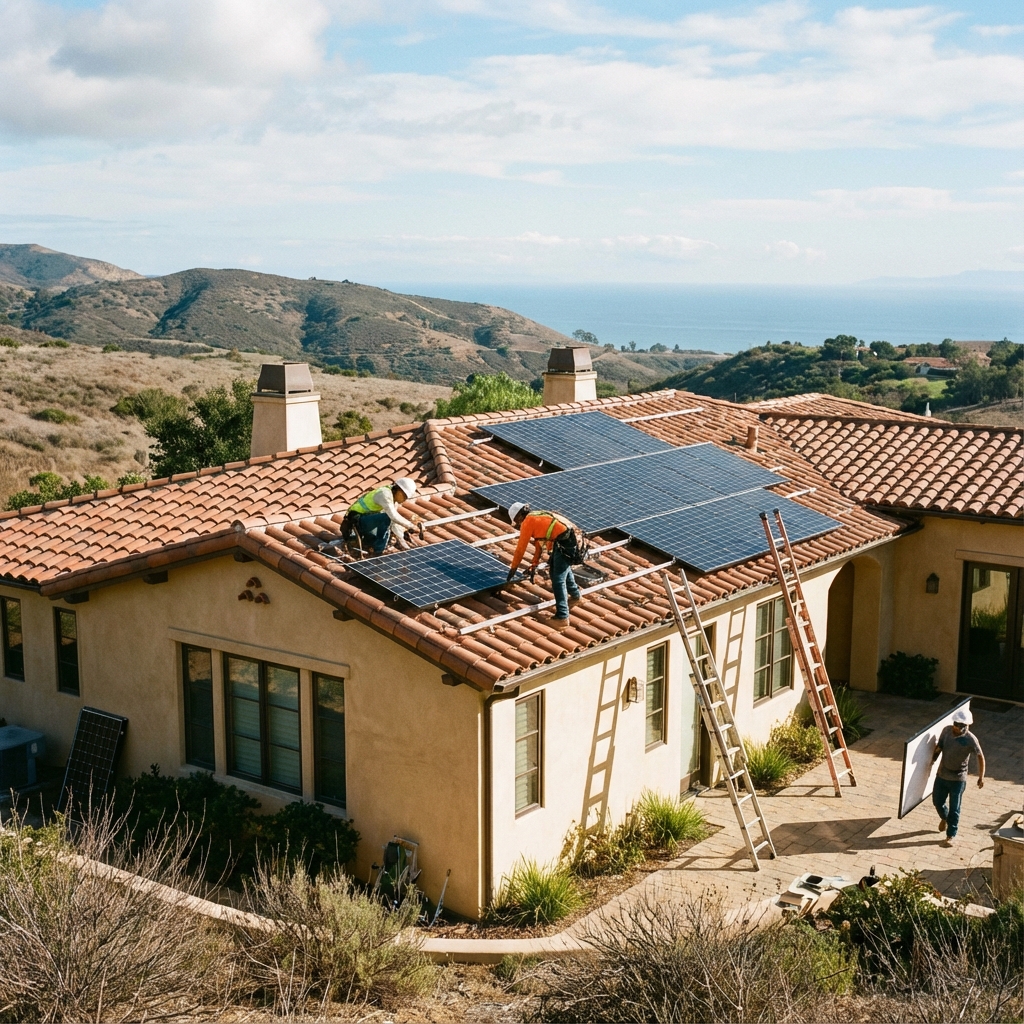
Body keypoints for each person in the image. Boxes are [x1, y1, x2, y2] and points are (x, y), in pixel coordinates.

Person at [505, 502, 582, 630]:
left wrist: (513, 569)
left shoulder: (527, 522)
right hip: (565, 540)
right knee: (559, 569)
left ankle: (562, 617)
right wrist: (534, 564)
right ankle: (575, 595)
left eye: (517, 522)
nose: (519, 525)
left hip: (566, 542)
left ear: (518, 517)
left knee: (558, 580)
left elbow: (520, 549)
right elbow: (538, 545)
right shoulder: (537, 517)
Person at [931, 706, 985, 847]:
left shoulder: (970, 739)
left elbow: (980, 757)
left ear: (966, 726)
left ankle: (951, 834)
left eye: (960, 725)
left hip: (958, 779)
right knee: (937, 801)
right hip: (942, 775)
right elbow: (940, 746)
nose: (956, 727)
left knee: (955, 808)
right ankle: (945, 817)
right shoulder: (946, 731)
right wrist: (933, 759)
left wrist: (981, 777)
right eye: (955, 724)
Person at [342, 477, 419, 555]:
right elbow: (393, 516)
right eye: (404, 496)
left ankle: (370, 544)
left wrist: (402, 539)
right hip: (356, 521)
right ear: (398, 490)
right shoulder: (384, 494)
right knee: (386, 518)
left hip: (366, 520)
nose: (404, 499)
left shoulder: (393, 500)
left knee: (375, 536)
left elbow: (394, 521)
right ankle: (379, 551)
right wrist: (411, 526)